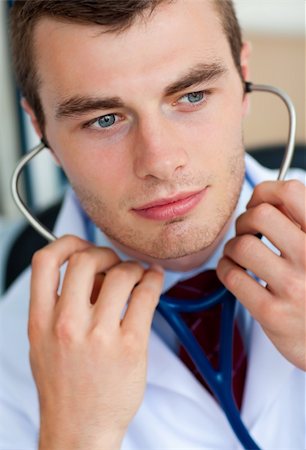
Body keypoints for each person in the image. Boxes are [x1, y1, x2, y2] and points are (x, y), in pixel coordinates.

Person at [1, 0, 305, 448]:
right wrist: (74, 436)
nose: (161, 162)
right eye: (104, 120)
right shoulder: (11, 351)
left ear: (242, 77)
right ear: (39, 127)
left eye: (192, 96)